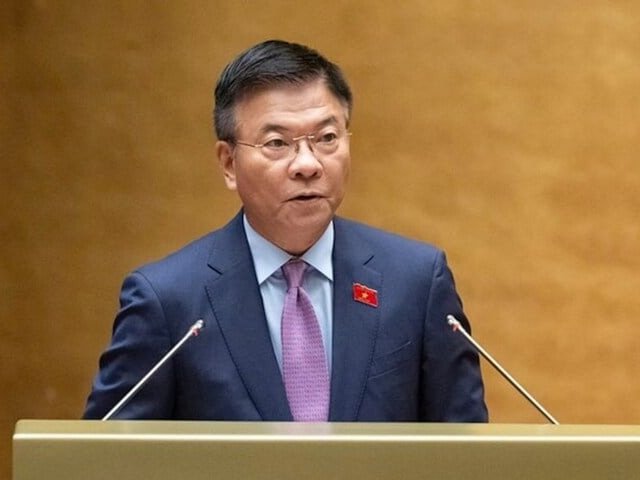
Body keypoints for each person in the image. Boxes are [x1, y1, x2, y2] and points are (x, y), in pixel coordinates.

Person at [83, 39, 488, 422]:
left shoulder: (416, 283)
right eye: (277, 143)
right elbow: (104, 456)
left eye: (326, 138)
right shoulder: (168, 301)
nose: (307, 164)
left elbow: (467, 451)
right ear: (228, 163)